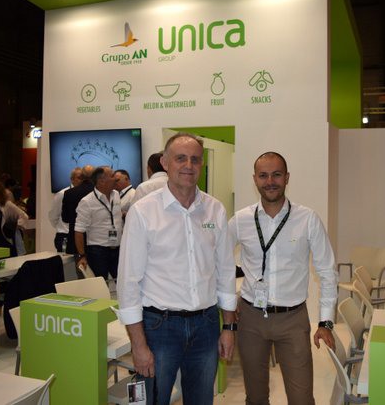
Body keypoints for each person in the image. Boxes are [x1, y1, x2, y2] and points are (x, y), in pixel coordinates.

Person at [117, 133, 236, 405]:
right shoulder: (143, 211)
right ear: (165, 162)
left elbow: (225, 272)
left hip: (206, 325)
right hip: (159, 327)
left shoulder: (215, 210)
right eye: (180, 158)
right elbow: (128, 283)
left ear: (202, 164)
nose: (188, 165)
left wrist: (229, 327)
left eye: (195, 159)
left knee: (201, 399)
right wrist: (138, 344)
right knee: (154, 400)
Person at [228, 151, 338, 405]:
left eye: (276, 175)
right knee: (255, 397)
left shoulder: (307, 219)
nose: (270, 181)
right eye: (263, 175)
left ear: (287, 178)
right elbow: (218, 262)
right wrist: (228, 302)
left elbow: (327, 271)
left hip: (293, 320)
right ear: (255, 179)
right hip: (251, 319)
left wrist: (325, 322)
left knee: (301, 398)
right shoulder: (241, 220)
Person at [74, 166, 123, 280]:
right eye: (112, 176)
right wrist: (82, 256)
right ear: (101, 181)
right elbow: (79, 231)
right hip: (98, 252)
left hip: (117, 249)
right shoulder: (87, 202)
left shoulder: (116, 195)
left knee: (121, 282)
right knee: (101, 284)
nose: (116, 178)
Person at [61, 164, 95, 254]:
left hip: (75, 241)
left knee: (79, 263)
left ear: (82, 176)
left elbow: (65, 218)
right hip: (96, 240)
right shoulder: (98, 192)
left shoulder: (69, 193)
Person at [48, 167, 82, 252]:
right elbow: (53, 216)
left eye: (83, 178)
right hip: (65, 234)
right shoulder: (62, 194)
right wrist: (62, 227)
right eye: (79, 177)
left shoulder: (86, 194)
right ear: (72, 179)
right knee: (66, 260)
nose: (81, 180)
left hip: (79, 235)